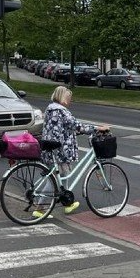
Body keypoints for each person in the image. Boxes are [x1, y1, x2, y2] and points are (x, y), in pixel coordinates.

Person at [39, 85, 110, 215]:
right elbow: (77, 125)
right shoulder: (61, 111)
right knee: (54, 180)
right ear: (62, 97)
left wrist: (74, 132)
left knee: (63, 177)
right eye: (68, 98)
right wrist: (97, 128)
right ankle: (40, 208)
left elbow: (60, 128)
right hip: (60, 150)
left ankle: (67, 203)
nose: (70, 100)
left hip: (50, 147)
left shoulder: (50, 109)